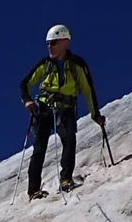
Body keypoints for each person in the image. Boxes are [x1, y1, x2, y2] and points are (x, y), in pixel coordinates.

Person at [19, 24, 105, 198]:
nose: (49, 47)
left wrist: (95, 114)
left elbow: (88, 90)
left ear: (65, 42)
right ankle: (33, 190)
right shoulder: (45, 65)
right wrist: (28, 101)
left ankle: (66, 179)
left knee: (69, 141)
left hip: (65, 109)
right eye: (49, 44)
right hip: (44, 108)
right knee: (39, 149)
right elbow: (24, 84)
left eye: (54, 43)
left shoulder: (77, 65)